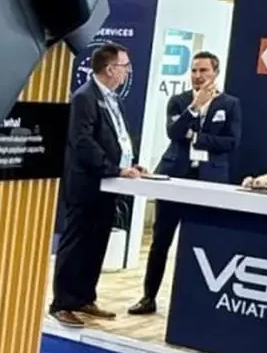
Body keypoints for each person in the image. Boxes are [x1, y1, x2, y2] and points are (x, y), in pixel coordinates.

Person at [129, 51, 241, 315]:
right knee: (160, 240)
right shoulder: (178, 102)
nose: (198, 76)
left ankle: (196, 305)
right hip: (175, 175)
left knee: (202, 241)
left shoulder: (230, 104)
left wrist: (198, 137)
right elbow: (174, 132)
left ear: (215, 73)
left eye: (203, 70)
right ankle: (148, 297)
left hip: (209, 179)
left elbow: (231, 142)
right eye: (194, 70)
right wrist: (194, 108)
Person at [50, 42, 144, 327]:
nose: (127, 72)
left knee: (96, 243)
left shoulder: (113, 98)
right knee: (76, 242)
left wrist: (129, 164)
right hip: (87, 183)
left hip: (109, 184)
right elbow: (82, 141)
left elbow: (116, 136)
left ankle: (83, 298)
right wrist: (114, 168)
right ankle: (62, 303)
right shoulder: (85, 97)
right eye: (124, 66)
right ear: (110, 68)